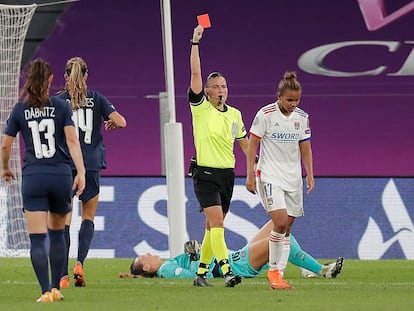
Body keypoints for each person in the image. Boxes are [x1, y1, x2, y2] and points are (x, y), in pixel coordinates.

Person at [1, 58, 86, 302]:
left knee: (37, 239)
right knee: (58, 234)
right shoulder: (61, 107)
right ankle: (56, 287)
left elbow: (6, 144)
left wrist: (5, 168)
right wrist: (80, 172)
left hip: (34, 176)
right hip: (60, 175)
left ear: (28, 80)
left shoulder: (20, 109)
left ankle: (45, 291)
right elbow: (72, 141)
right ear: (50, 80)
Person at [55, 57, 127, 288]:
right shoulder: (96, 99)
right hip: (91, 165)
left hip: (65, 164)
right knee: (88, 216)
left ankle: (62, 275)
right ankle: (80, 264)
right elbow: (122, 122)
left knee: (64, 220)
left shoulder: (56, 102)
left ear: (65, 76)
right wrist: (112, 123)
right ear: (86, 76)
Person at [188, 25, 248, 288]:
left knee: (213, 228)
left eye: (224, 85)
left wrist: (257, 166)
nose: (221, 89)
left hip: (227, 175)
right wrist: (195, 43)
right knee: (218, 221)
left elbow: (245, 144)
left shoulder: (235, 114)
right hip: (206, 175)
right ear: (208, 91)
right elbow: (195, 73)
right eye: (215, 86)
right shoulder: (200, 109)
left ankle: (200, 274)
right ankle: (226, 272)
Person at [246, 72, 314, 290]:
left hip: (293, 178)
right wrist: (250, 173)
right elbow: (252, 144)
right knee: (281, 223)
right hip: (269, 175)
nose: (293, 104)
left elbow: (305, 148)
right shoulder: (265, 114)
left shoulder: (302, 117)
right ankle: (274, 273)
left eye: (297, 100)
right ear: (279, 97)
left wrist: (310, 174)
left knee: (287, 227)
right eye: (290, 100)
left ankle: (279, 273)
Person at [120, 220, 344, 280]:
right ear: (147, 267)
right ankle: (322, 270)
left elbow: (196, 265)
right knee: (279, 236)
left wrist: (195, 253)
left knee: (278, 227)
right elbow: (198, 276)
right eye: (144, 257)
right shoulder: (167, 270)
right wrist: (199, 260)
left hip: (234, 256)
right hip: (236, 264)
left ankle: (308, 268)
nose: (148, 253)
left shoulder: (169, 263)